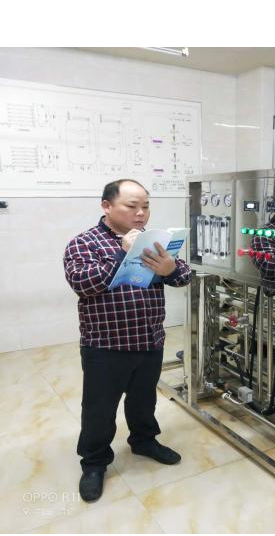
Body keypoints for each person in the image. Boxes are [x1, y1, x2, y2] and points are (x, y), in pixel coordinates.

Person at [63, 179, 191, 503]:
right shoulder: (84, 243)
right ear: (107, 206)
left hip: (149, 338)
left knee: (143, 400)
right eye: (132, 206)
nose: (141, 213)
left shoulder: (154, 241)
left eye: (145, 206)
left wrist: (170, 268)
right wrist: (123, 254)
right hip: (106, 344)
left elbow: (184, 276)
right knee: (99, 408)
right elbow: (83, 283)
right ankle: (94, 462)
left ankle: (144, 441)